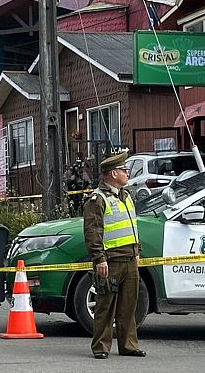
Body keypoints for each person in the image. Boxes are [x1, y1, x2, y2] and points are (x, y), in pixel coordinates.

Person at [83, 151, 145, 360]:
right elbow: (93, 231)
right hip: (110, 261)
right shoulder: (97, 199)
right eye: (124, 170)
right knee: (105, 306)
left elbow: (132, 226)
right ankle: (101, 346)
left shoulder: (125, 196)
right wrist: (99, 258)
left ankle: (128, 345)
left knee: (129, 306)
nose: (127, 173)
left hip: (129, 259)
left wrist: (137, 251)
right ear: (113, 173)